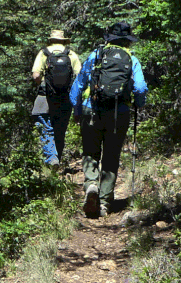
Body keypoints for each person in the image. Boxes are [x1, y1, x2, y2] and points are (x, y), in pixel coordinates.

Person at [70, 21, 148, 218]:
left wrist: (77, 110)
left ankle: (91, 185)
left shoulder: (95, 55)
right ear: (127, 41)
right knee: (111, 156)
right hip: (118, 113)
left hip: (91, 109)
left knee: (90, 151)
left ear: (109, 39)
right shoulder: (132, 59)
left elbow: (78, 85)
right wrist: (138, 103)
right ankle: (104, 203)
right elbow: (140, 88)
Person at [31, 30, 82, 166]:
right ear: (64, 41)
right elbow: (80, 77)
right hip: (65, 99)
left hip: (45, 97)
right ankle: (56, 161)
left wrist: (45, 83)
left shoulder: (44, 53)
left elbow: (36, 75)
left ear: (51, 40)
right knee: (60, 131)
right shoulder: (71, 54)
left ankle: (51, 159)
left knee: (46, 128)